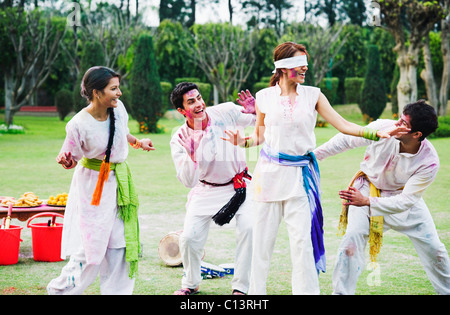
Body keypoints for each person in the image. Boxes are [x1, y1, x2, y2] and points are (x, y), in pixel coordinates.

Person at [222, 41, 409, 295]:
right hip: (267, 178)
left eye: (306, 63)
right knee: (261, 245)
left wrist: (378, 132)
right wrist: (242, 142)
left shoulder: (313, 95)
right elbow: (259, 137)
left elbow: (343, 125)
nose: (305, 68)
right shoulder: (264, 97)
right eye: (300, 63)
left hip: (299, 179)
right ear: (283, 67)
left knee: (303, 246)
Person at [313, 100, 450, 295]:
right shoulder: (382, 128)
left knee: (436, 250)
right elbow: (345, 140)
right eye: (399, 118)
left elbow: (406, 201)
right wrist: (313, 156)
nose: (396, 125)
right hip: (366, 187)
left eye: (403, 123)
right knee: (351, 241)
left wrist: (367, 201)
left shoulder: (429, 161)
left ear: (417, 134)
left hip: (401, 199)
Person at [47, 66, 154, 295]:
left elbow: (121, 132)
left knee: (120, 244)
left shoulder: (118, 109)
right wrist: (65, 161)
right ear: (97, 92)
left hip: (120, 185)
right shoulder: (77, 124)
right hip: (92, 188)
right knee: (90, 247)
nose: (119, 93)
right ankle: (60, 291)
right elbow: (71, 159)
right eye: (113, 89)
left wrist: (138, 142)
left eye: (118, 87)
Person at [169, 82, 256, 295]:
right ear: (181, 111)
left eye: (199, 98)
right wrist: (192, 156)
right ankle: (191, 283)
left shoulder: (225, 111)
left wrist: (257, 111)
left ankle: (241, 287)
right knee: (189, 238)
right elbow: (188, 181)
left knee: (248, 228)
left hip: (239, 186)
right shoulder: (179, 138)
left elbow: (258, 121)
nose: (199, 104)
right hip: (205, 190)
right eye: (191, 102)